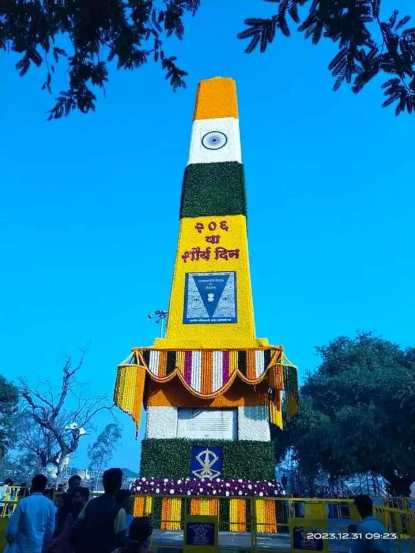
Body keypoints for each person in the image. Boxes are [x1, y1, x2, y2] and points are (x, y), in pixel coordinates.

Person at [72, 468, 128, 553]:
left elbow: (76, 526)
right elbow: (122, 538)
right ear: (119, 485)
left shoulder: (90, 503)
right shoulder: (119, 511)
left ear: (103, 484)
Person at [5, 474, 56, 553]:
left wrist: (10, 540)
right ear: (44, 487)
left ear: (32, 486)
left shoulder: (24, 502)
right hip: (37, 547)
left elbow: (12, 529)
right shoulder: (50, 504)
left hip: (20, 546)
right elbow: (50, 529)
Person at [46, 487, 90, 553]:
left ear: (85, 498)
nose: (74, 499)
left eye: (77, 497)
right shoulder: (68, 513)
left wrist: (51, 544)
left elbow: (64, 534)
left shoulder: (71, 515)